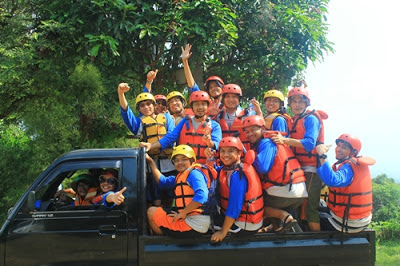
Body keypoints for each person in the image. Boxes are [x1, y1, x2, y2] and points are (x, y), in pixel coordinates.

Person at [271, 87, 327, 231]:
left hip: (311, 170)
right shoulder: (294, 120)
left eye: (301, 102)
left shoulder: (311, 119)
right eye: (294, 102)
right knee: (298, 206)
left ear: (307, 103)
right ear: (289, 104)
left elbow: (309, 144)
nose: (297, 105)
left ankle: (316, 242)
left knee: (309, 208)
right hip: (298, 168)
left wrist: (284, 140)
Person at [242, 115, 307, 233]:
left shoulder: (267, 142)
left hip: (285, 191)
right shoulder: (269, 141)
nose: (249, 134)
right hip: (298, 191)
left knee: (254, 202)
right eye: (246, 131)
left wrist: (250, 159)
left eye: (253, 130)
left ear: (262, 129)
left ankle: (284, 216)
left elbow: (263, 168)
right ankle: (279, 228)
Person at [118, 81, 176, 207]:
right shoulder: (139, 123)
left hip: (169, 163)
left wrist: (149, 82)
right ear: (139, 109)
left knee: (170, 196)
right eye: (142, 106)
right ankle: (153, 223)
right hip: (151, 164)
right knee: (156, 198)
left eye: (149, 104)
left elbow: (171, 136)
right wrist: (121, 94)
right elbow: (126, 113)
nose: (146, 107)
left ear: (154, 105)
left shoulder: (166, 118)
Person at [140, 91, 222, 164]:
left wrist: (208, 142)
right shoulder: (184, 122)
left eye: (203, 104)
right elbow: (170, 138)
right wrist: (151, 145)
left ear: (207, 106)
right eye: (197, 104)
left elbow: (216, 145)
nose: (200, 107)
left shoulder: (215, 125)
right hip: (184, 166)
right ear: (192, 107)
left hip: (204, 166)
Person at [207, 137, 264, 242]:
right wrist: (210, 158)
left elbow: (234, 207)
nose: (225, 155)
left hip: (243, 225)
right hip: (243, 219)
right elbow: (215, 171)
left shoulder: (238, 175)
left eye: (230, 151)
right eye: (222, 151)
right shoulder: (230, 168)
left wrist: (223, 232)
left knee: (202, 223)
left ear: (239, 153)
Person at [146, 145, 211, 237]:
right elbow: (163, 182)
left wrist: (183, 213)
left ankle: (161, 245)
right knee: (158, 210)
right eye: (176, 160)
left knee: (151, 212)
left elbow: (202, 196)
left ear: (192, 161)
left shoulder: (194, 174)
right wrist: (151, 162)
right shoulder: (180, 176)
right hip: (190, 218)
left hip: (195, 223)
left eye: (184, 159)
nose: (180, 162)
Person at [315, 134, 374, 233]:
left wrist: (322, 155)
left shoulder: (348, 167)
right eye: (338, 146)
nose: (338, 149)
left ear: (353, 152)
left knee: (310, 213)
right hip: (359, 220)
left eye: (344, 147)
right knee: (320, 204)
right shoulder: (355, 165)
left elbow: (332, 181)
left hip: (347, 223)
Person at [181, 43, 224, 116]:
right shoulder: (206, 102)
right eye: (210, 87)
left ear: (222, 87)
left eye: (216, 86)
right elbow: (192, 84)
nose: (213, 89)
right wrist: (185, 62)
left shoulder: (229, 103)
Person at [213, 84, 255, 152]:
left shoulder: (247, 116)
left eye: (234, 97)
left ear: (239, 99)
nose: (231, 99)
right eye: (228, 96)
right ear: (224, 99)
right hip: (224, 157)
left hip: (243, 156)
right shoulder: (218, 116)